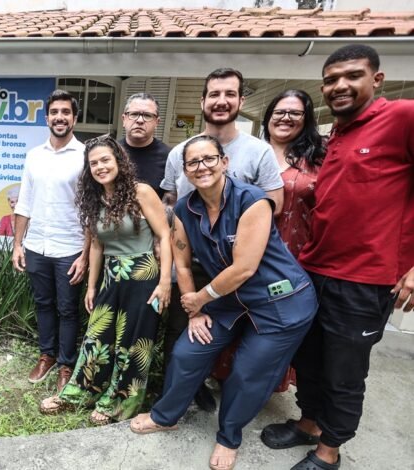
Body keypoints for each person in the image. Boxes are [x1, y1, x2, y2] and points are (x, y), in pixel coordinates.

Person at [262, 44, 414, 470]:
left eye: (352, 75)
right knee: (308, 356)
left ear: (376, 79)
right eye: (331, 79)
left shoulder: (402, 118)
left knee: (344, 371)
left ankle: (329, 452)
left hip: (366, 277)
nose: (340, 86)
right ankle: (308, 423)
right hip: (314, 268)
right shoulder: (335, 137)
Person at [130, 135, 318, 470]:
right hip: (228, 298)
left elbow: (244, 267)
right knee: (188, 351)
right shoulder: (185, 211)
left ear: (224, 162)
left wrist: (200, 299)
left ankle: (229, 436)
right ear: (184, 171)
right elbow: (183, 264)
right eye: (193, 163)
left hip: (281, 300)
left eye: (209, 159)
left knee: (248, 372)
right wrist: (195, 313)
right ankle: (165, 415)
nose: (201, 167)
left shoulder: (253, 200)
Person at [159, 68, 284, 412]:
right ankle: (184, 389)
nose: (221, 101)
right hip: (193, 263)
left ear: (241, 101)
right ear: (202, 101)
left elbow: (276, 204)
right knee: (182, 328)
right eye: (214, 94)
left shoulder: (258, 152)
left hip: (243, 268)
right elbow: (171, 203)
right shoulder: (179, 153)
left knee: (232, 333)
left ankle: (227, 390)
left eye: (230, 94)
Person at [38, 136, 171, 425]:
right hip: (112, 275)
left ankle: (120, 400)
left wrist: (165, 282)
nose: (100, 167)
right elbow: (97, 246)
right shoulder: (95, 198)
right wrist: (91, 285)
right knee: (97, 338)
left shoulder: (142, 191)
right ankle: (80, 393)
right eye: (93, 163)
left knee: (132, 343)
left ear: (119, 161)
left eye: (105, 160)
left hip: (143, 274)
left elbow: (164, 236)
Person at [212, 89, 326, 392]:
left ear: (307, 118)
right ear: (268, 117)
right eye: (279, 112)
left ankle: (262, 385)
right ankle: (228, 379)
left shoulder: (316, 158)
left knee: (278, 319)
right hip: (245, 247)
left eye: (295, 113)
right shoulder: (251, 151)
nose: (285, 119)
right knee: (240, 311)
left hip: (291, 249)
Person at [12, 89, 90, 392]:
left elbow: (89, 211)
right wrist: (18, 244)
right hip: (37, 246)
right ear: (47, 118)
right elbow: (25, 202)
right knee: (43, 303)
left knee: (68, 308)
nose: (60, 117)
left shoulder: (84, 156)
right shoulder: (34, 155)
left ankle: (66, 363)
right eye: (55, 112)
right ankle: (46, 355)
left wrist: (85, 255)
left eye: (66, 112)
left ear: (74, 118)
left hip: (70, 247)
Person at [118, 92, 171, 197]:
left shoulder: (169, 157)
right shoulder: (110, 152)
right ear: (124, 119)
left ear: (157, 122)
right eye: (134, 114)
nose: (140, 120)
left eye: (147, 115)